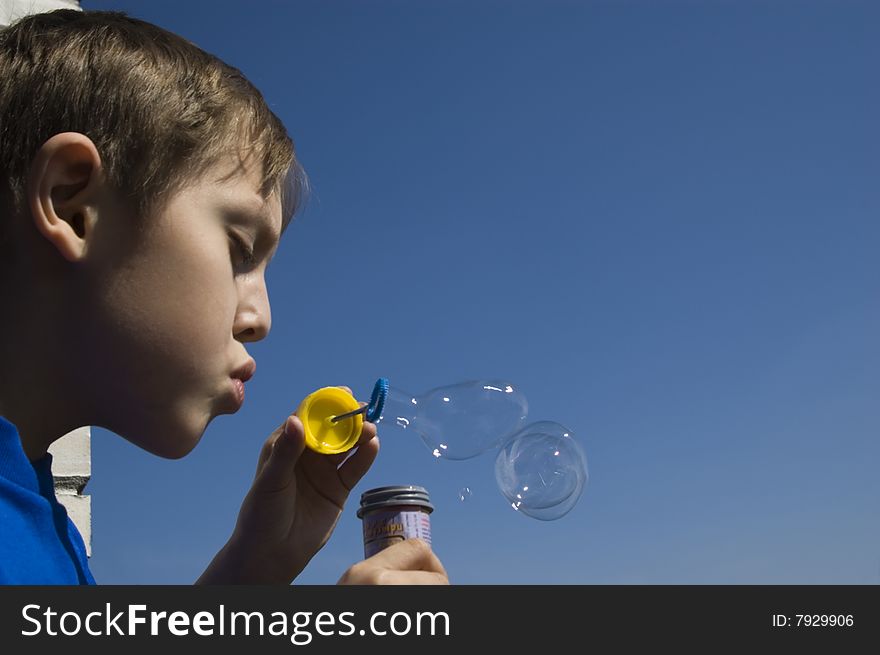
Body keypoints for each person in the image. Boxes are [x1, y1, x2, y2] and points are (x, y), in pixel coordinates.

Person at [0, 9, 448, 585]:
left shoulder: (40, 522)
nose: (260, 318)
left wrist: (256, 564)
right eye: (240, 250)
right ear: (72, 205)